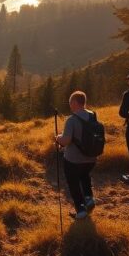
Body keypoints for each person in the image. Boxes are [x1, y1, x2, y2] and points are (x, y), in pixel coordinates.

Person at [55, 91, 98, 219]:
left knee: (73, 183)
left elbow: (66, 140)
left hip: (73, 160)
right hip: (91, 158)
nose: (70, 105)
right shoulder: (93, 115)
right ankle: (89, 199)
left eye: (70, 103)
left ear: (74, 103)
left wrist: (57, 138)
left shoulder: (72, 120)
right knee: (85, 176)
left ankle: (80, 210)